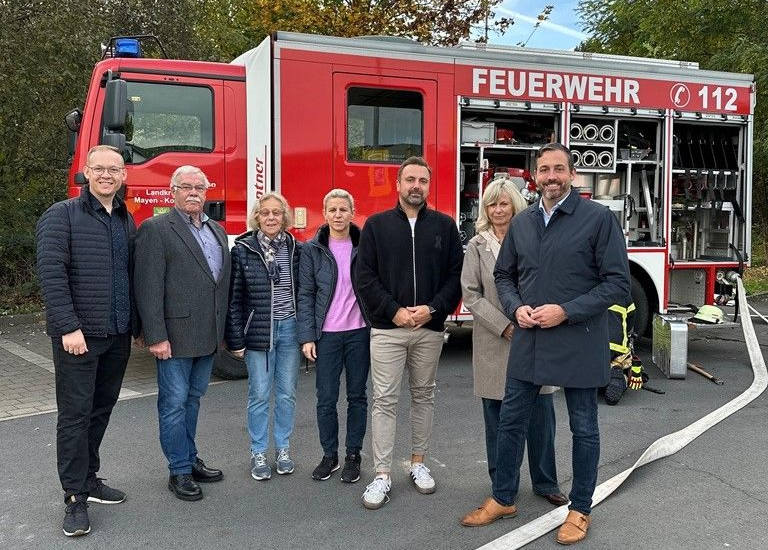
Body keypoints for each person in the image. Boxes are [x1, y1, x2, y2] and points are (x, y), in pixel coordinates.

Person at [460, 143, 630, 546]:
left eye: (558, 169)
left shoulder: (597, 220)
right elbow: (504, 276)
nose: (550, 176)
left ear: (572, 175)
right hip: (530, 342)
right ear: (534, 176)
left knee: (583, 427)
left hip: (579, 340)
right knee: (510, 422)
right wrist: (517, 308)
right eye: (543, 169)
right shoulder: (524, 223)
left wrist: (566, 311)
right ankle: (503, 497)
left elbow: (617, 283)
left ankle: (580, 508)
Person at [36, 145, 138, 537]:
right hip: (79, 336)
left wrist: (138, 325)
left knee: (100, 411)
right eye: (100, 169)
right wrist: (67, 327)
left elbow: (131, 277)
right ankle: (74, 497)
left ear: (124, 176)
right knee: (75, 416)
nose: (107, 175)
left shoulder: (125, 219)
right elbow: (51, 274)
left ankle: (90, 478)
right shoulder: (62, 216)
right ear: (86, 172)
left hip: (117, 333)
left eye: (115, 169)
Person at [356, 156, 463, 510]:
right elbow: (365, 277)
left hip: (429, 329)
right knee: (384, 400)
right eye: (410, 180)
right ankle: (382, 474)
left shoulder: (445, 227)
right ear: (398, 185)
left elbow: (455, 276)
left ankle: (418, 463)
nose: (416, 186)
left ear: (429, 187)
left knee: (423, 397)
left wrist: (432, 309)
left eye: (423, 180)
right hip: (388, 330)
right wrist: (395, 311)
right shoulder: (376, 225)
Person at [460, 177, 567, 507]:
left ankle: (546, 482)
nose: (497, 210)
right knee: (497, 418)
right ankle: (501, 482)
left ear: (515, 206)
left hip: (535, 340)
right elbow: (471, 296)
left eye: (503, 203)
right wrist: (505, 326)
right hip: (495, 343)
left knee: (541, 418)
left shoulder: (534, 238)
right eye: (491, 204)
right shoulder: (477, 246)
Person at [134, 166, 231, 502]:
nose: (193, 192)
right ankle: (178, 470)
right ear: (172, 191)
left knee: (192, 400)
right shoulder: (156, 228)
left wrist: (224, 333)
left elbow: (220, 284)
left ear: (207, 192)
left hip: (206, 337)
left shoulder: (217, 230)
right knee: (173, 404)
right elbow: (148, 287)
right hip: (173, 337)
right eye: (186, 186)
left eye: (199, 187)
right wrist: (155, 335)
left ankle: (189, 459)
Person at [225, 192, 301, 481]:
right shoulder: (243, 249)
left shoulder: (295, 248)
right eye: (265, 213)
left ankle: (283, 448)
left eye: (276, 213)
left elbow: (303, 291)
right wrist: (236, 340)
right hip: (258, 333)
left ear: (284, 217)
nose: (271, 218)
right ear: (257, 217)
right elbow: (234, 299)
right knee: (258, 394)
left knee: (287, 393)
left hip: (290, 329)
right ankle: (258, 451)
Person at [297, 189, 370, 483]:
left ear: (352, 213)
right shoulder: (312, 250)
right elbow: (305, 293)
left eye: (343, 209)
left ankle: (353, 454)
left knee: (357, 397)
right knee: (325, 398)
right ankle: (329, 456)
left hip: (358, 333)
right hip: (326, 336)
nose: (338, 215)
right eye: (333, 210)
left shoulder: (365, 246)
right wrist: (307, 337)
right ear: (324, 213)